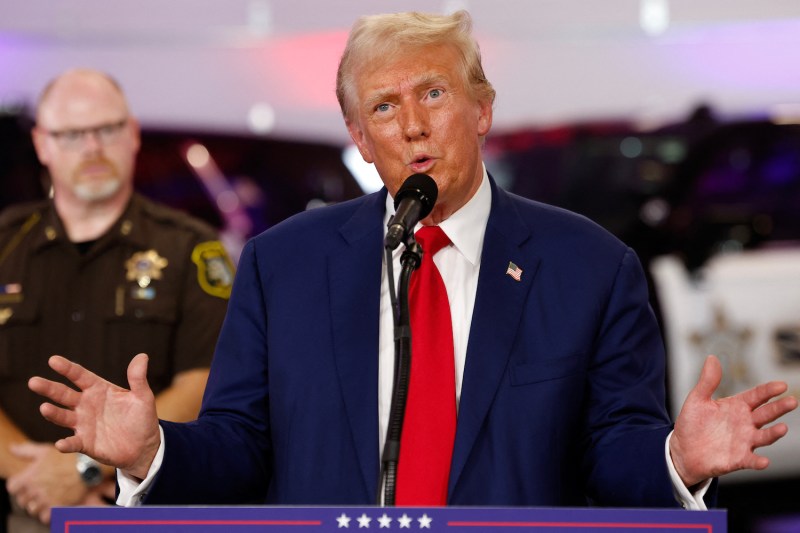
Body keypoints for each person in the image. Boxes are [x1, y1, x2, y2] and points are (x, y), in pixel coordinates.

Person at [29, 12, 796, 510]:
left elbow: (613, 452)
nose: (413, 126)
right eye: (384, 108)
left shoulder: (590, 267)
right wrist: (153, 448)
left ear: (482, 109)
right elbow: (240, 449)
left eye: (433, 92)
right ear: (361, 139)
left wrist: (678, 459)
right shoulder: (281, 265)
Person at [0, 69, 234, 531]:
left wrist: (88, 468)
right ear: (42, 144)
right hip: (22, 507)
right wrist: (34, 477)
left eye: (106, 129)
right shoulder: (3, 243)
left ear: (132, 135)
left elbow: (205, 378)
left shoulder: (190, 246)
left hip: (144, 509)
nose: (92, 148)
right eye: (71, 134)